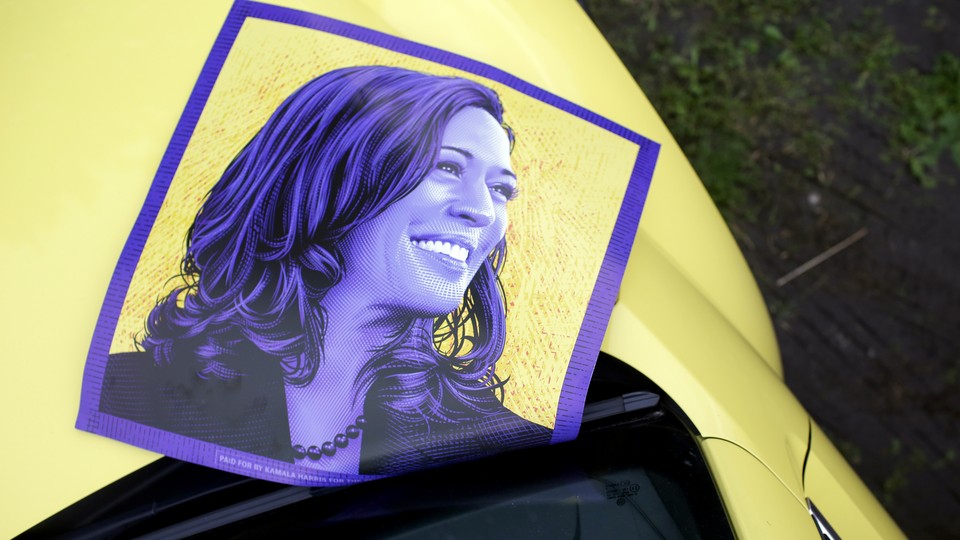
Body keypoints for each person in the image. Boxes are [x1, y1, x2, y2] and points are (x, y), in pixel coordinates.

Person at [99, 65, 551, 476]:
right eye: (449, 167)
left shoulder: (511, 455)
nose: (483, 212)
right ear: (332, 175)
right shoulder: (122, 395)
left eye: (500, 190)